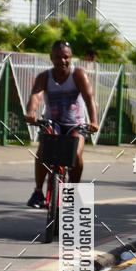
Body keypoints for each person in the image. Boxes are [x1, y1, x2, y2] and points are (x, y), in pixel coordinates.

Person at [25, 40, 99, 207]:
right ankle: (38, 192)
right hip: (53, 123)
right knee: (44, 150)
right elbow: (36, 96)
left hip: (76, 125)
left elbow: (89, 98)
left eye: (66, 57)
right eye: (58, 57)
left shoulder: (78, 75)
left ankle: (74, 191)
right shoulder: (45, 77)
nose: (62, 61)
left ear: (71, 57)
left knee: (76, 155)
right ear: (51, 57)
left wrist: (94, 121)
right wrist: (31, 113)